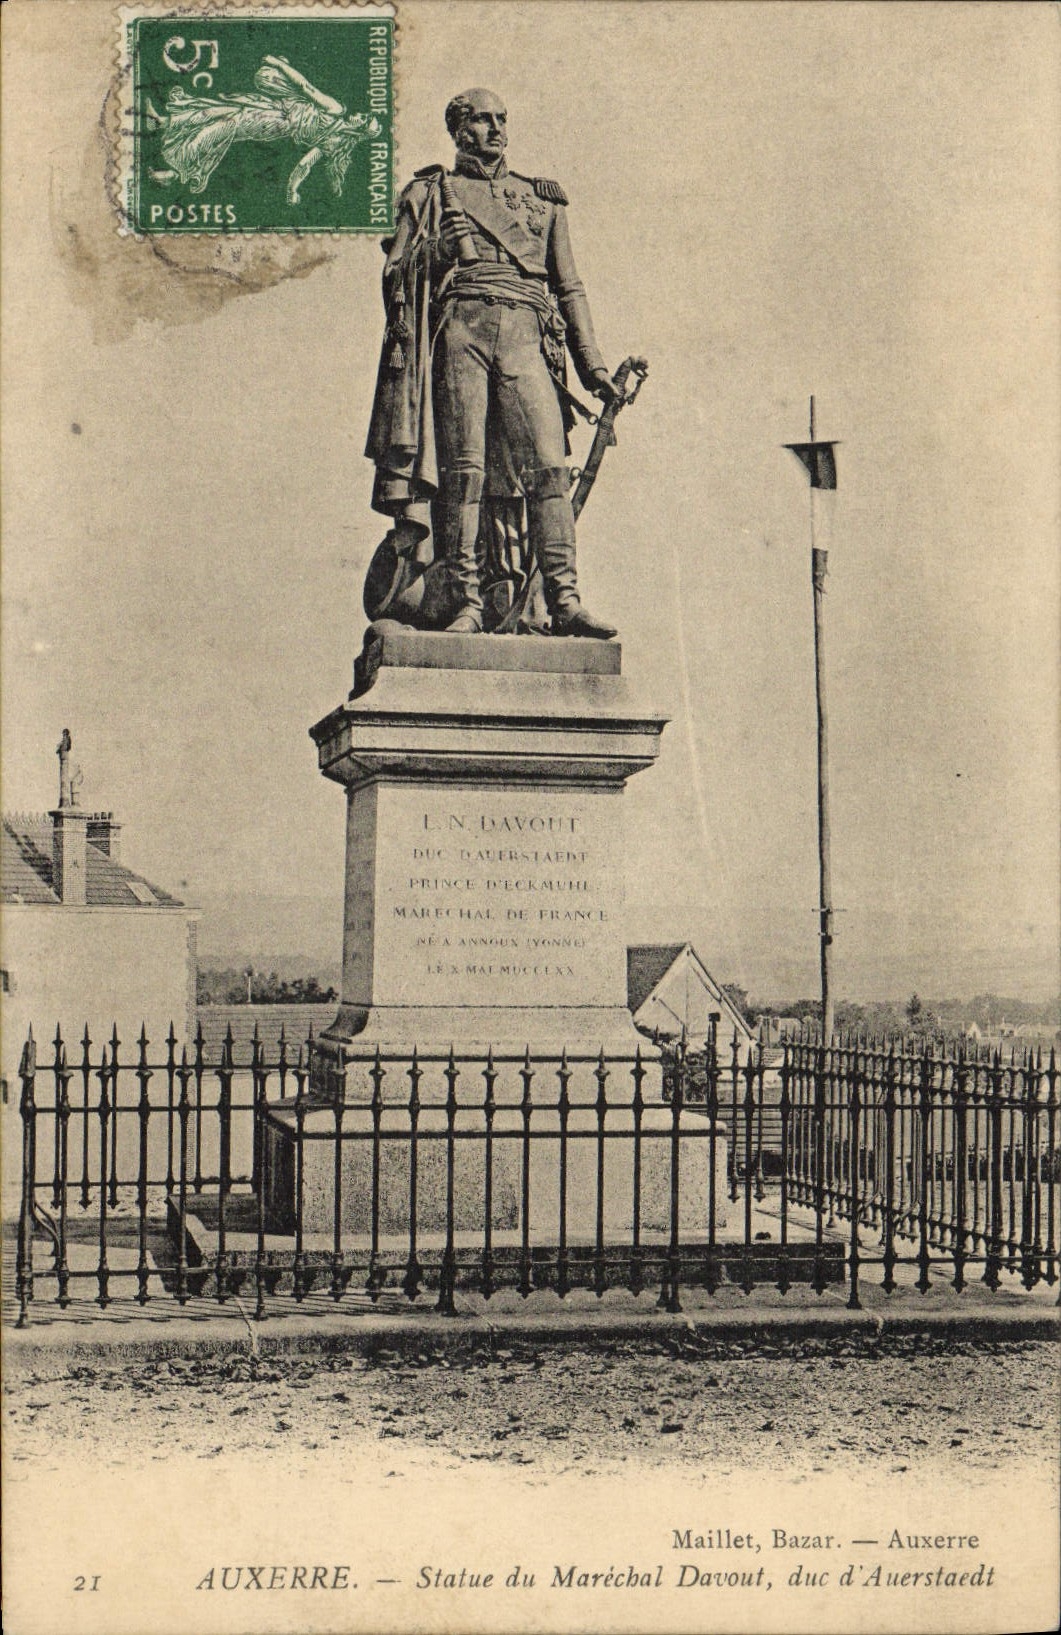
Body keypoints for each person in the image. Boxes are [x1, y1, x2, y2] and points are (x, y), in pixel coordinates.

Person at [365, 88, 618, 638]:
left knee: (549, 467)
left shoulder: (542, 199)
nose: (497, 128)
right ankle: (467, 604)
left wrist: (594, 367)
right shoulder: (431, 192)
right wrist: (438, 252)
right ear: (459, 131)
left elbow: (569, 287)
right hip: (463, 329)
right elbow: (394, 274)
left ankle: (565, 600)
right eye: (483, 120)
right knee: (465, 470)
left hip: (528, 334)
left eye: (502, 118)